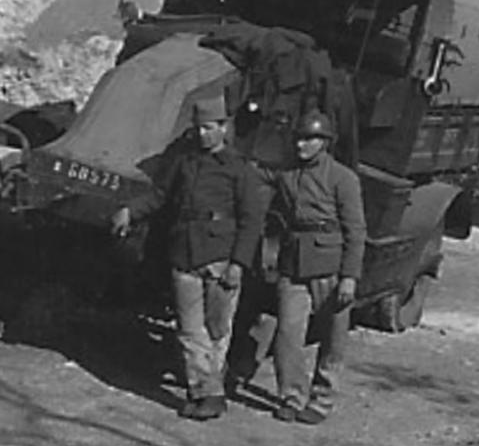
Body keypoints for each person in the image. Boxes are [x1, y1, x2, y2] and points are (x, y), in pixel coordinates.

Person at [110, 96, 265, 421]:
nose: (203, 135)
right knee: (190, 329)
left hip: (220, 258)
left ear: (224, 127)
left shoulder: (240, 170)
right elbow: (160, 196)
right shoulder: (185, 162)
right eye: (199, 129)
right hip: (185, 254)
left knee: (217, 330)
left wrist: (238, 264)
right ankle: (206, 393)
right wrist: (130, 211)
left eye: (209, 128)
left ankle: (209, 391)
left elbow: (251, 222)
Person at [267, 110, 366, 425]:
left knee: (333, 335)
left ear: (324, 142)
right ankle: (291, 396)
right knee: (288, 333)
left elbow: (356, 231)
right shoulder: (286, 175)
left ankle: (322, 398)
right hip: (293, 262)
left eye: (310, 139)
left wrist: (349, 276)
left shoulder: (342, 178)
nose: (301, 145)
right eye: (299, 138)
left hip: (330, 263)